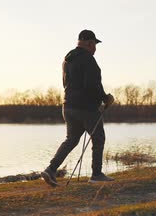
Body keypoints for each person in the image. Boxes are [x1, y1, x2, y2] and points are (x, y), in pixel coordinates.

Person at [41, 29, 115, 187]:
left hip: (68, 106)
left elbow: (66, 84)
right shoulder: (88, 59)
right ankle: (96, 174)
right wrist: (105, 98)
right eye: (94, 44)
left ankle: (51, 169)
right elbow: (92, 85)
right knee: (98, 137)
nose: (95, 48)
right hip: (86, 108)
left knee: (72, 139)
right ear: (89, 43)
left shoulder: (67, 60)